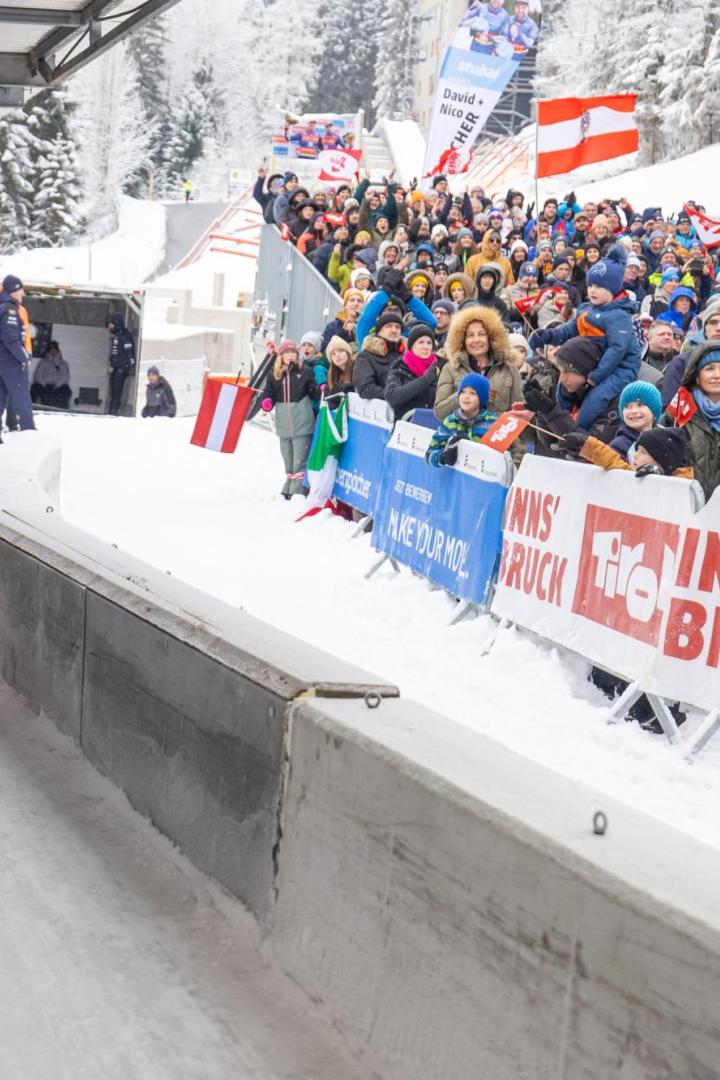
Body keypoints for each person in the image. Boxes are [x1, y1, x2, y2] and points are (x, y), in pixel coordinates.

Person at [529, 245, 640, 431]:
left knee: (596, 397)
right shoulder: (586, 309)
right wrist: (546, 336)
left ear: (613, 288)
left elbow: (617, 350)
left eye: (599, 286)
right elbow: (568, 330)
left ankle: (577, 430)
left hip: (619, 369)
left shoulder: (619, 316)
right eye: (590, 285)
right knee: (563, 387)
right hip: (593, 362)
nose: (592, 290)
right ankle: (559, 425)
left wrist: (596, 377)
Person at [435, 305, 522, 421]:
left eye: (481, 334)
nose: (476, 340)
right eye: (470, 335)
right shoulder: (451, 368)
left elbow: (519, 413)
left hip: (496, 436)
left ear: (491, 337)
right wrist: (465, 394)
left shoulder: (509, 368)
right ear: (462, 340)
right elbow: (439, 412)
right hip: (462, 436)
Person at [260, 341, 321, 498]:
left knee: (300, 454)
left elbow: (312, 390)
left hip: (301, 417)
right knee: (287, 454)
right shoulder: (274, 374)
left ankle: (298, 487)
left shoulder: (305, 371)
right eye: (287, 353)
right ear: (281, 355)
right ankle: (289, 480)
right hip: (283, 420)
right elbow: (269, 392)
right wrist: (267, 401)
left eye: (293, 352)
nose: (290, 355)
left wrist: (318, 389)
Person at [670, 343, 720, 500]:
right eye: (709, 368)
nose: (717, 375)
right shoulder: (678, 411)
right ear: (697, 377)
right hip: (686, 507)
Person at [565, 426, 691, 479]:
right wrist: (585, 444)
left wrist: (658, 480)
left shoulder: (685, 485)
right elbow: (613, 462)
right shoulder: (636, 474)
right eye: (637, 450)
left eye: (643, 452)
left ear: (662, 460)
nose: (635, 455)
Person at [426, 373, 496, 467]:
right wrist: (442, 458)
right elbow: (429, 455)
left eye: (473, 393)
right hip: (456, 478)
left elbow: (500, 454)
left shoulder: (492, 422)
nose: (466, 396)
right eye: (462, 392)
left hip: (480, 476)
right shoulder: (450, 421)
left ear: (482, 398)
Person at [0, 274, 34, 432]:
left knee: (2, 397)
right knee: (21, 398)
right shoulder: (10, 309)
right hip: (10, 359)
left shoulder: (5, 307)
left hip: (3, 359)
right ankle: (29, 430)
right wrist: (23, 357)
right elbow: (10, 338)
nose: (23, 294)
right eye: (21, 290)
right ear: (14, 290)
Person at [384, 324, 440, 420]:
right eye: (421, 342)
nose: (425, 347)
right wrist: (426, 379)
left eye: (429, 343)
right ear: (412, 346)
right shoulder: (399, 368)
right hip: (408, 427)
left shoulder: (440, 366)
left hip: (434, 426)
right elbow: (392, 397)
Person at [107, 313, 136, 416]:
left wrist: (131, 364)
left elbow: (128, 351)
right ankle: (112, 411)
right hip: (118, 367)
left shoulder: (123, 335)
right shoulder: (118, 335)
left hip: (121, 367)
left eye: (111, 324)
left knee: (116, 391)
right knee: (114, 390)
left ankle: (113, 412)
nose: (110, 326)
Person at [31, 341, 71, 410]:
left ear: (58, 351)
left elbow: (65, 377)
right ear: (48, 352)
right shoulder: (42, 362)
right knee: (35, 389)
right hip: (45, 385)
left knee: (66, 391)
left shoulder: (63, 364)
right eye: (51, 350)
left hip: (58, 386)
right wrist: (45, 385)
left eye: (55, 350)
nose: (53, 352)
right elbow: (38, 376)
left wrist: (56, 386)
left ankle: (62, 411)